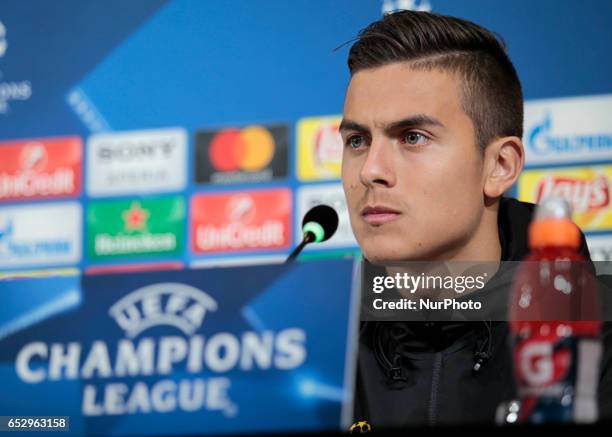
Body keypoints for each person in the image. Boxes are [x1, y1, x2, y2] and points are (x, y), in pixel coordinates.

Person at [339, 9, 612, 427]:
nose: (369, 170)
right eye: (357, 140)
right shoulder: (313, 346)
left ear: (500, 165)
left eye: (413, 137)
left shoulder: (599, 339)